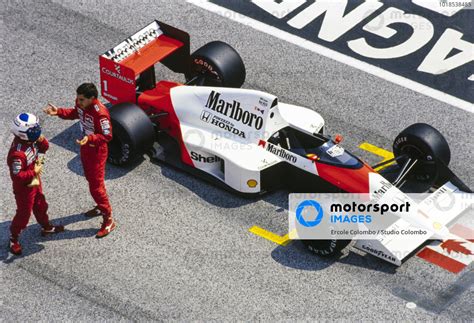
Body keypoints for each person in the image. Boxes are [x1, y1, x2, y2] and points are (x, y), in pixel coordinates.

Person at [44, 83, 116, 238]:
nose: (78, 101)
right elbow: (75, 113)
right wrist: (58, 112)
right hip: (85, 147)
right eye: (78, 98)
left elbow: (107, 136)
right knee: (92, 181)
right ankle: (100, 206)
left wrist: (90, 138)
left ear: (92, 98)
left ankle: (108, 218)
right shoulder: (81, 104)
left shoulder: (101, 114)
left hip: (97, 151)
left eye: (82, 99)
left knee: (96, 187)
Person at [7, 113, 64, 255]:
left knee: (41, 205)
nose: (37, 132)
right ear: (22, 133)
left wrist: (42, 139)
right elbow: (18, 176)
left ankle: (46, 227)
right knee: (23, 215)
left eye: (37, 128)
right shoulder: (17, 154)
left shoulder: (31, 140)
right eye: (33, 130)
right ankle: (13, 238)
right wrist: (34, 171)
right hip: (24, 188)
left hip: (35, 181)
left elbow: (45, 148)